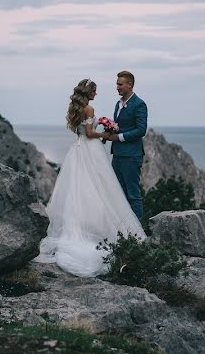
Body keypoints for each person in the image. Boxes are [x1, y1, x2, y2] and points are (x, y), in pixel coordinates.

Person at [34, 78, 146, 277]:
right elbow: (90, 133)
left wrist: (108, 130)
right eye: (95, 90)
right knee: (101, 188)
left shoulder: (76, 108)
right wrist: (105, 134)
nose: (97, 93)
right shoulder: (90, 109)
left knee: (81, 190)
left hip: (78, 149)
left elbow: (82, 132)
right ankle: (113, 230)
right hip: (91, 149)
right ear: (89, 92)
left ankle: (86, 226)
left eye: (120, 84)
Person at [101, 70, 147, 221]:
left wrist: (118, 137)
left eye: (120, 84)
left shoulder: (139, 104)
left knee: (133, 194)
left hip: (131, 155)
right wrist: (109, 131)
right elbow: (120, 126)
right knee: (118, 193)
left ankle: (137, 233)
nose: (117, 87)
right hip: (118, 154)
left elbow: (141, 130)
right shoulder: (118, 104)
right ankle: (122, 229)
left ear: (129, 85)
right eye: (117, 84)